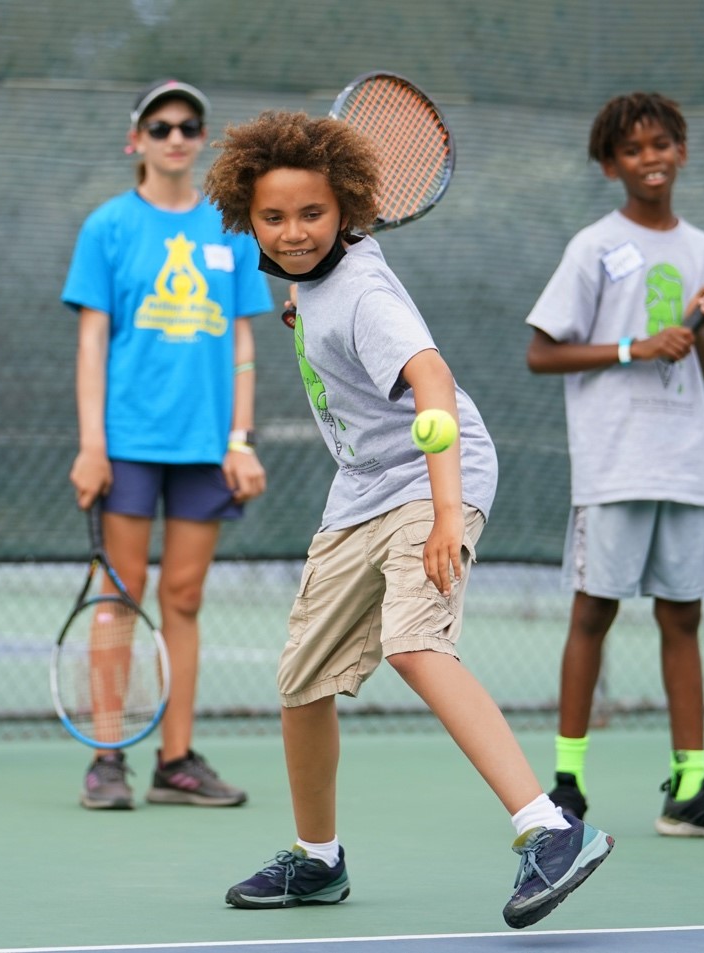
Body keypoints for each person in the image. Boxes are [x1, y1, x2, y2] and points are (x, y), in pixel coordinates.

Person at [204, 109, 613, 929]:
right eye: (274, 217)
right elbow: (319, 302)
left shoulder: (362, 292)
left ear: (347, 210)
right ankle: (318, 861)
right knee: (301, 679)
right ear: (245, 216)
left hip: (432, 478)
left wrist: (443, 517)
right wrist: (301, 312)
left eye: (312, 215)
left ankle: (551, 828)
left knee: (415, 643)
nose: (292, 232)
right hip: (361, 487)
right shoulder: (315, 280)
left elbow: (431, 379)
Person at [524, 92, 704, 840]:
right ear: (610, 166)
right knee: (593, 611)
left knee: (683, 618)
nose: (651, 158)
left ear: (682, 151)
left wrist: (696, 328)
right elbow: (542, 351)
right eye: (632, 149)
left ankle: (690, 789)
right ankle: (565, 788)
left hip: (686, 462)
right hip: (615, 460)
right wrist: (637, 345)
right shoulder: (592, 246)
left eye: (662, 143)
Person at [61, 79, 273, 810]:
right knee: (120, 598)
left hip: (207, 448)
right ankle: (108, 758)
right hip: (126, 443)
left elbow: (244, 341)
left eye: (189, 125)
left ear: (204, 140)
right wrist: (93, 444)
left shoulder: (232, 229)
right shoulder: (108, 227)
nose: (176, 136)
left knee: (183, 597)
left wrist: (240, 440)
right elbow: (92, 345)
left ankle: (175, 761)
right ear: (137, 141)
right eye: (160, 126)